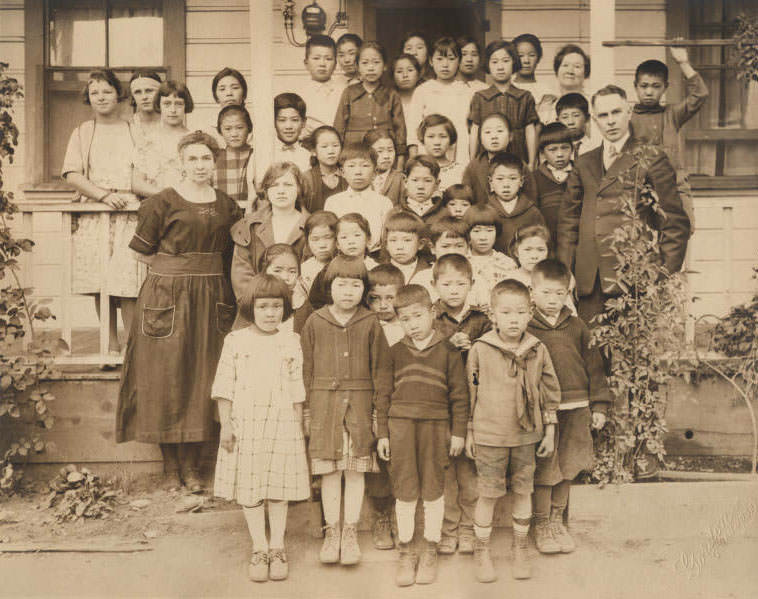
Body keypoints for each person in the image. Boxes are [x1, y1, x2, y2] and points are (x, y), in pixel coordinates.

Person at [116, 131, 243, 492]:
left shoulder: (227, 205)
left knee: (206, 377)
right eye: (193, 159)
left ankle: (194, 467)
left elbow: (234, 254)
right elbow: (141, 252)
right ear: (181, 162)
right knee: (166, 378)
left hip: (213, 296)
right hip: (167, 297)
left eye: (206, 159)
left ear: (214, 163)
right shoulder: (162, 202)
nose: (200, 165)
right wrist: (176, 269)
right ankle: (170, 466)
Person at [557, 85, 691, 324]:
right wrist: (566, 273)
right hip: (589, 283)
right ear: (594, 121)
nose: (610, 121)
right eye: (603, 116)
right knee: (593, 359)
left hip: (634, 281)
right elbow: (568, 223)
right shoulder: (584, 163)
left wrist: (659, 277)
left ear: (628, 113)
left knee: (634, 359)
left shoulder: (651, 158)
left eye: (616, 112)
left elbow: (674, 223)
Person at [212, 274, 309, 582]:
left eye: (277, 306)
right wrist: (225, 424)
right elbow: (224, 386)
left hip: (282, 423)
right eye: (263, 306)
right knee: (250, 487)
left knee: (278, 488)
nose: (270, 313)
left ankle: (278, 545)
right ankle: (259, 546)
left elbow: (296, 388)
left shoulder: (291, 341)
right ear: (251, 308)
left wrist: (298, 427)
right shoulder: (236, 341)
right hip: (246, 423)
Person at [465, 279, 560, 582]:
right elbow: (471, 392)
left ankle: (520, 548)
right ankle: (482, 551)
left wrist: (549, 430)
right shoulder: (480, 350)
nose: (514, 319)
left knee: (523, 490)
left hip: (525, 435)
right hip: (489, 435)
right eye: (506, 312)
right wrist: (469, 431)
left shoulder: (537, 349)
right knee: (488, 493)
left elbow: (548, 390)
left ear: (530, 313)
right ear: (492, 315)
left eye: (520, 312)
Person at [300, 255, 392, 566]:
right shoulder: (315, 321)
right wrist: (307, 413)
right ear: (329, 287)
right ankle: (333, 532)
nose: (348, 291)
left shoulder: (370, 322)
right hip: (324, 406)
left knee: (354, 471)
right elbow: (306, 370)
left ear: (364, 289)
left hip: (360, 407)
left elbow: (381, 374)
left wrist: (379, 422)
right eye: (342, 284)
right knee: (329, 472)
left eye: (356, 285)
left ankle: (350, 532)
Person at [376, 284, 468, 586]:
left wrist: (458, 433)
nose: (412, 324)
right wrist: (383, 434)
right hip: (401, 428)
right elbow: (383, 396)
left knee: (433, 489)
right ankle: (406, 550)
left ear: (431, 313)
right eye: (405, 319)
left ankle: (430, 548)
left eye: (417, 316)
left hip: (436, 428)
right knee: (404, 489)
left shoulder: (448, 351)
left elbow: (459, 396)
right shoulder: (394, 353)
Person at [527, 259, 610, 555]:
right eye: (546, 293)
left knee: (568, 465)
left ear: (567, 294)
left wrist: (599, 405)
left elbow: (595, 368)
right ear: (532, 292)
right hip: (540, 412)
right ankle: (540, 524)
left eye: (559, 294)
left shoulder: (577, 327)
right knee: (544, 467)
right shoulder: (526, 327)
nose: (552, 300)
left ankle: (557, 520)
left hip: (576, 406)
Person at [62, 69, 141, 356]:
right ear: (88, 98)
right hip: (97, 213)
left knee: (128, 280)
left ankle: (132, 347)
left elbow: (144, 169)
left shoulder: (134, 129)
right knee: (101, 281)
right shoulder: (83, 131)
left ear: (118, 95)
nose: (101, 97)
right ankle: (110, 344)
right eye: (94, 92)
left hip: (129, 213)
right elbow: (72, 173)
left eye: (107, 91)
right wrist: (104, 195)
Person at [430, 254, 490, 555]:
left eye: (461, 284)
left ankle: (468, 529)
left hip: (473, 405)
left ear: (471, 284)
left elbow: (492, 361)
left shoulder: (481, 320)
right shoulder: (430, 319)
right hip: (441, 405)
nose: (454, 290)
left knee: (469, 472)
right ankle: (448, 529)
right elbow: (421, 356)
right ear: (435, 285)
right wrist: (446, 346)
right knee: (444, 472)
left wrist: (475, 348)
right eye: (447, 284)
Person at [631, 47, 708, 230]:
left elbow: (700, 95)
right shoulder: (627, 118)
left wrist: (683, 62)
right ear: (635, 86)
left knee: (680, 234)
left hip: (675, 189)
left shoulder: (672, 114)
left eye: (656, 86)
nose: (649, 92)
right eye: (644, 86)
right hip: (640, 190)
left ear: (666, 87)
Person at [364, 264, 405, 550]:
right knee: (376, 461)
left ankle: (399, 514)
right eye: (375, 299)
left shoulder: (410, 324)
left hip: (403, 403)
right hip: (372, 402)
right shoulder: (365, 325)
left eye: (390, 298)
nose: (382, 305)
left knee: (401, 460)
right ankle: (381, 515)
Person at [230, 162, 309, 300]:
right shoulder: (250, 226)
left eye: (288, 185)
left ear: (299, 189)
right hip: (259, 306)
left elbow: (312, 270)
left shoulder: (311, 227)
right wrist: (261, 302)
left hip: (299, 305)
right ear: (266, 191)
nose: (281, 191)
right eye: (274, 185)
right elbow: (241, 274)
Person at [334, 42, 407, 165]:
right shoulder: (349, 93)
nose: (371, 67)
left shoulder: (392, 94)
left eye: (376, 62)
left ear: (385, 66)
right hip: (354, 154)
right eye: (365, 63)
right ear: (357, 66)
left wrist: (400, 163)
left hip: (385, 156)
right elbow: (339, 126)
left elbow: (400, 129)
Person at [469, 40, 539, 168]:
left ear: (514, 63)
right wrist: (472, 162)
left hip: (518, 156)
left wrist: (532, 162)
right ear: (488, 65)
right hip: (487, 160)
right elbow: (475, 130)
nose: (500, 67)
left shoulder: (524, 97)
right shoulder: (480, 97)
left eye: (505, 61)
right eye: (494, 62)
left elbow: (530, 130)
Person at [407, 37, 474, 163]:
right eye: (439, 59)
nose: (445, 64)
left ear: (459, 61)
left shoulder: (467, 91)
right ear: (431, 61)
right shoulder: (422, 91)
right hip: (428, 149)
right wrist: (414, 159)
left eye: (451, 59)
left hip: (460, 149)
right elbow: (413, 129)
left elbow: (472, 128)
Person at [323, 143, 393, 252]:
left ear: (375, 173)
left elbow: (386, 239)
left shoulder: (383, 202)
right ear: (342, 172)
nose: (358, 172)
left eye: (365, 166)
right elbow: (330, 236)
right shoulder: (333, 202)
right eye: (351, 166)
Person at [462, 112, 538, 206]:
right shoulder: (473, 168)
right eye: (487, 132)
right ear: (480, 139)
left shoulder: (520, 165)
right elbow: (464, 200)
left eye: (500, 131)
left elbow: (531, 200)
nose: (494, 137)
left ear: (510, 136)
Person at [132, 80, 193, 196]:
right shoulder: (146, 142)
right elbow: (137, 183)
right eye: (167, 104)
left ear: (186, 106)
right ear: (158, 105)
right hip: (156, 205)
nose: (173, 110)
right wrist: (168, 196)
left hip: (189, 206)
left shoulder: (195, 140)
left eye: (179, 104)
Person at [509, 224, 577, 315]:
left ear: (547, 252)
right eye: (527, 250)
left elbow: (570, 311)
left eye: (540, 250)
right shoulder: (510, 279)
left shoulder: (556, 276)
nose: (534, 256)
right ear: (516, 252)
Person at [486, 152, 545, 253]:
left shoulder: (532, 213)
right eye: (500, 179)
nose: (506, 184)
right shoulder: (485, 212)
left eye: (512, 178)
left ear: (521, 181)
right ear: (491, 182)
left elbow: (542, 244)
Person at [462, 203, 518, 309]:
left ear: (497, 232)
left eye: (489, 231)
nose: (483, 237)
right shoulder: (461, 262)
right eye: (477, 231)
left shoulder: (507, 264)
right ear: (467, 233)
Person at [295, 34, 344, 138]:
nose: (322, 63)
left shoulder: (345, 91)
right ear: (306, 63)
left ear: (335, 64)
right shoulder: (300, 95)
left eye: (328, 59)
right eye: (316, 58)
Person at [535, 122, 574, 245]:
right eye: (552, 149)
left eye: (565, 148)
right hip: (547, 240)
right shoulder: (535, 178)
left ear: (573, 148)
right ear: (542, 152)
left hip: (575, 240)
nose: (560, 154)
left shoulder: (580, 174)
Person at [380, 209, 434, 295]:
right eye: (393, 240)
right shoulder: (379, 272)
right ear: (386, 244)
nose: (400, 247)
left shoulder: (430, 271)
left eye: (407, 240)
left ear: (420, 244)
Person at [214, 105, 256, 208]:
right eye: (228, 129)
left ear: (249, 128)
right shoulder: (214, 158)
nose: (234, 134)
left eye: (240, 128)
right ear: (220, 131)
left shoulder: (256, 155)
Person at [539, 44, 591, 124]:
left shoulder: (592, 104)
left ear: (585, 72)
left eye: (577, 66)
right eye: (565, 65)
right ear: (557, 70)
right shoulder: (547, 106)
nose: (570, 71)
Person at [302, 125, 347, 213]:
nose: (331, 151)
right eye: (324, 146)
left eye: (335, 145)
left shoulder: (348, 175)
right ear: (313, 151)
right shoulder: (306, 179)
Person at [297, 210, 338, 299]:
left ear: (337, 238)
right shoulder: (304, 270)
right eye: (315, 239)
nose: (322, 245)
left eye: (328, 237)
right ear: (307, 241)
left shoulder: (345, 265)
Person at [418, 114, 465, 192]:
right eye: (431, 136)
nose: (437, 142)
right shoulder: (416, 169)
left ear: (451, 139)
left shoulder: (461, 171)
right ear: (423, 139)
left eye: (443, 136)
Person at [398, 155, 445, 223]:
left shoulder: (444, 215)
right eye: (415, 180)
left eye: (427, 180)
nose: (421, 186)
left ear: (437, 184)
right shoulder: (396, 214)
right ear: (405, 181)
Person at [272, 93, 312, 173]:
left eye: (294, 120)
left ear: (303, 122)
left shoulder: (308, 156)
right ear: (273, 122)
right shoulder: (264, 153)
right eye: (282, 120)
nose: (288, 126)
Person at [512, 33, 552, 108]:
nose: (526, 61)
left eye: (531, 55)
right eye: (520, 56)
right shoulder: (507, 89)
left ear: (538, 58)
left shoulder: (546, 91)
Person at [366, 129, 404, 206]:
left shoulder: (400, 178)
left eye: (390, 150)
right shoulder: (363, 176)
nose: (386, 156)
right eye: (380, 151)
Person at [556, 93, 597, 159]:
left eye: (576, 115)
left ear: (587, 118)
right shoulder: (555, 151)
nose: (570, 122)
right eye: (565, 117)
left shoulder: (595, 149)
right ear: (557, 121)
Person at [392, 53, 422, 136]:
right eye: (399, 71)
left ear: (419, 73)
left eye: (410, 70)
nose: (405, 75)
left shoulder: (426, 97)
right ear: (392, 76)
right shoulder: (389, 101)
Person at [128, 70, 162, 139]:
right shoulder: (128, 126)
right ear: (133, 97)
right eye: (138, 92)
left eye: (149, 91)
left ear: (160, 93)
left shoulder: (170, 121)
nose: (144, 97)